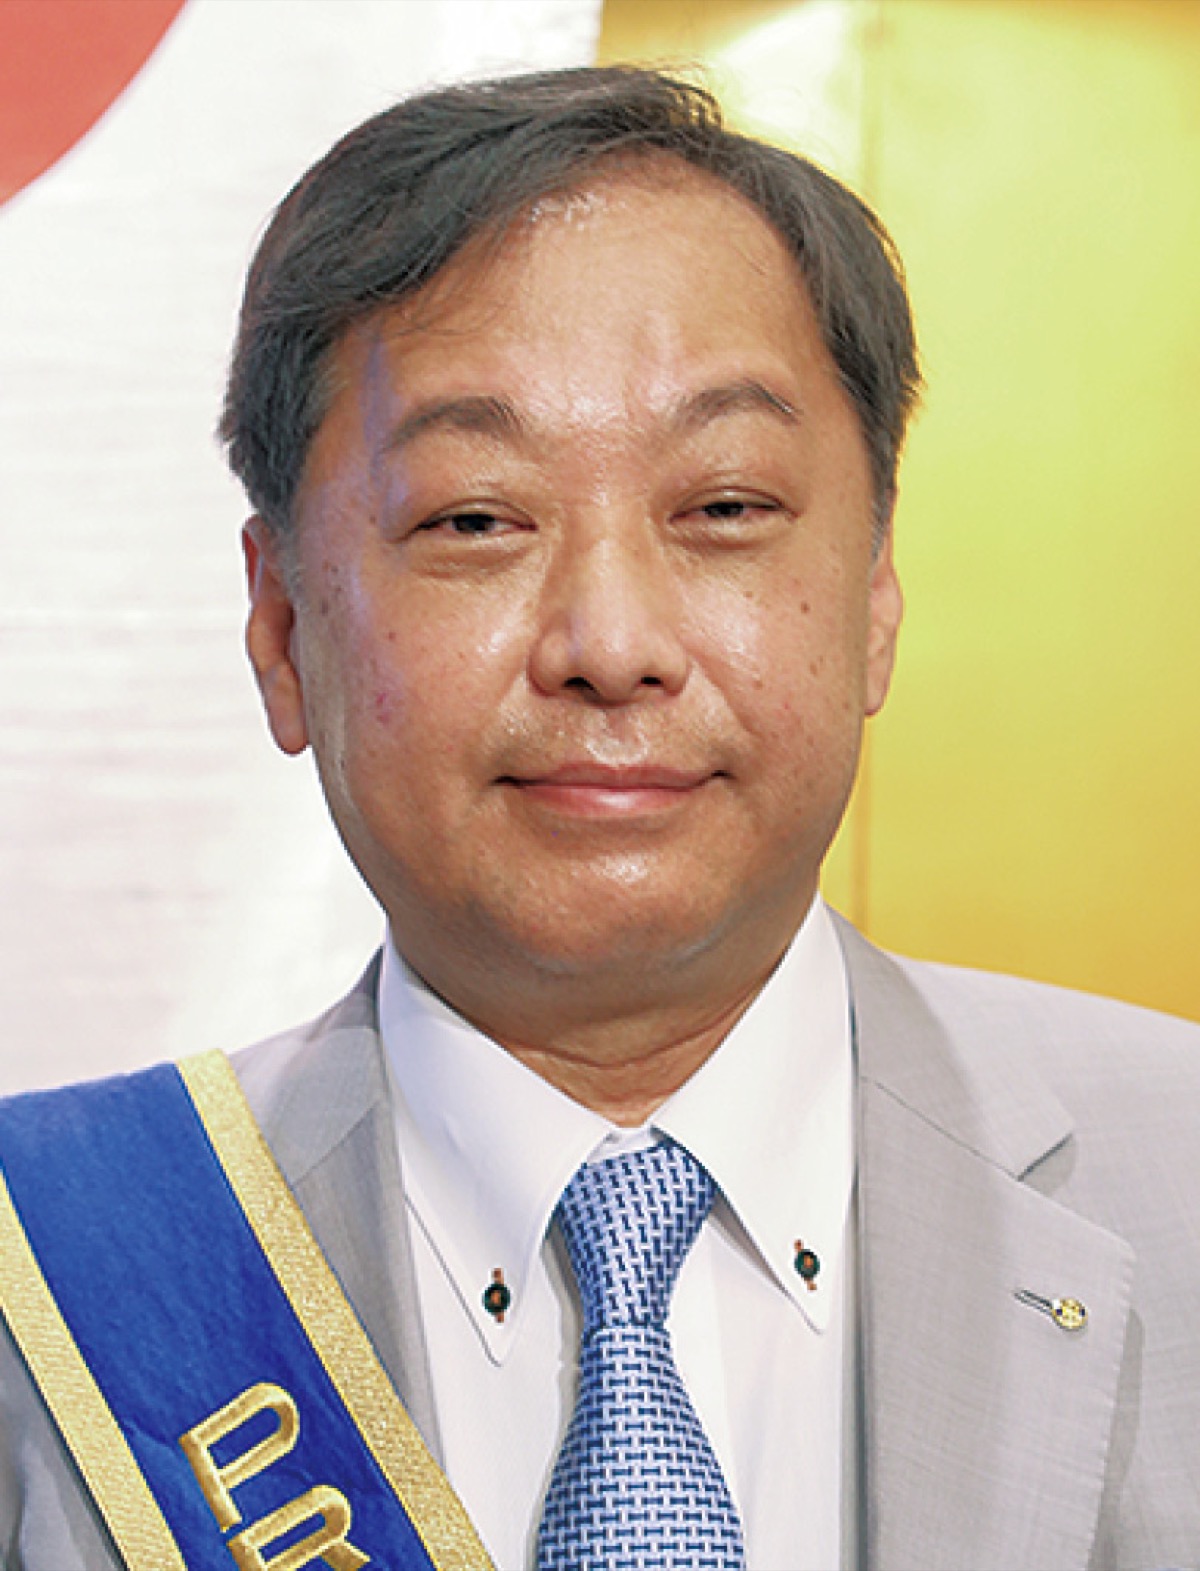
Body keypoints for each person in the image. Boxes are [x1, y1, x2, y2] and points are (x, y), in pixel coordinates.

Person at [1, 64, 1198, 1571]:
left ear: (877, 594)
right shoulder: (63, 1277)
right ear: (282, 625)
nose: (611, 642)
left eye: (725, 508)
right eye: (475, 518)